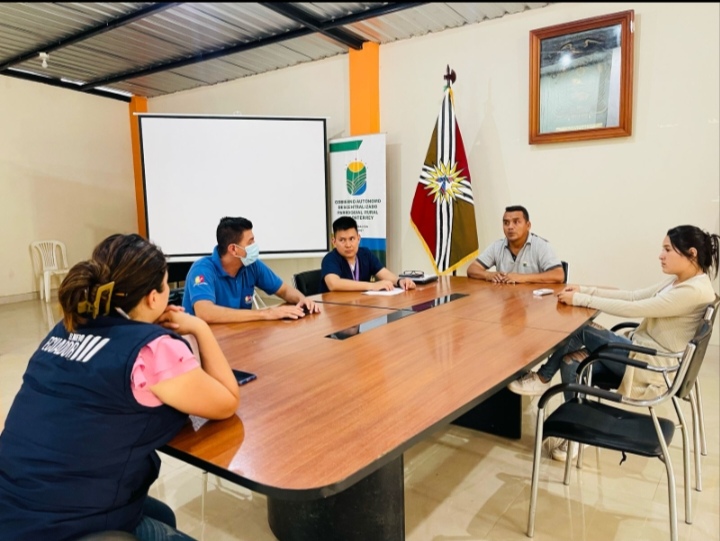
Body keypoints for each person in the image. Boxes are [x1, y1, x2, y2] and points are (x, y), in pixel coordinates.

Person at [0, 233, 240, 540]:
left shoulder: (66, 327)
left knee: (162, 514)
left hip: (13, 503)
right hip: (60, 526)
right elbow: (227, 401)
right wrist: (200, 328)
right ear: (153, 298)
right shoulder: (152, 350)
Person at [509, 225, 719, 461]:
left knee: (580, 330)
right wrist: (584, 290)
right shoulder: (681, 282)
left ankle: (542, 378)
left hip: (649, 367)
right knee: (570, 363)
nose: (661, 255)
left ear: (691, 253)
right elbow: (633, 296)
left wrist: (580, 299)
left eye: (667, 249)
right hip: (637, 353)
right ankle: (578, 433)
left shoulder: (693, 292)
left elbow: (635, 308)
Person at [183, 216, 320, 323]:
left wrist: (302, 299)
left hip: (237, 335)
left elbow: (283, 290)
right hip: (201, 343)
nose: (255, 245)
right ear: (233, 249)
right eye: (250, 242)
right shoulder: (202, 269)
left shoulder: (252, 266)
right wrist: (266, 313)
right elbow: (205, 313)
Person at [467, 205, 565, 284]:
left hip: (535, 300)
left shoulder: (541, 246)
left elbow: (558, 275)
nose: (510, 227)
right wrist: (488, 275)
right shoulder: (497, 246)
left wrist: (522, 278)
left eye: (516, 222)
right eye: (506, 223)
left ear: (528, 225)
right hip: (505, 299)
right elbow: (472, 269)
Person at [320, 216, 417, 293]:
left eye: (352, 239)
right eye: (342, 240)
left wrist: (399, 281)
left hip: (360, 304)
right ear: (334, 242)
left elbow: (383, 273)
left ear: (358, 238)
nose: (348, 245)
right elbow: (333, 284)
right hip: (336, 307)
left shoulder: (365, 254)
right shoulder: (330, 259)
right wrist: (372, 286)